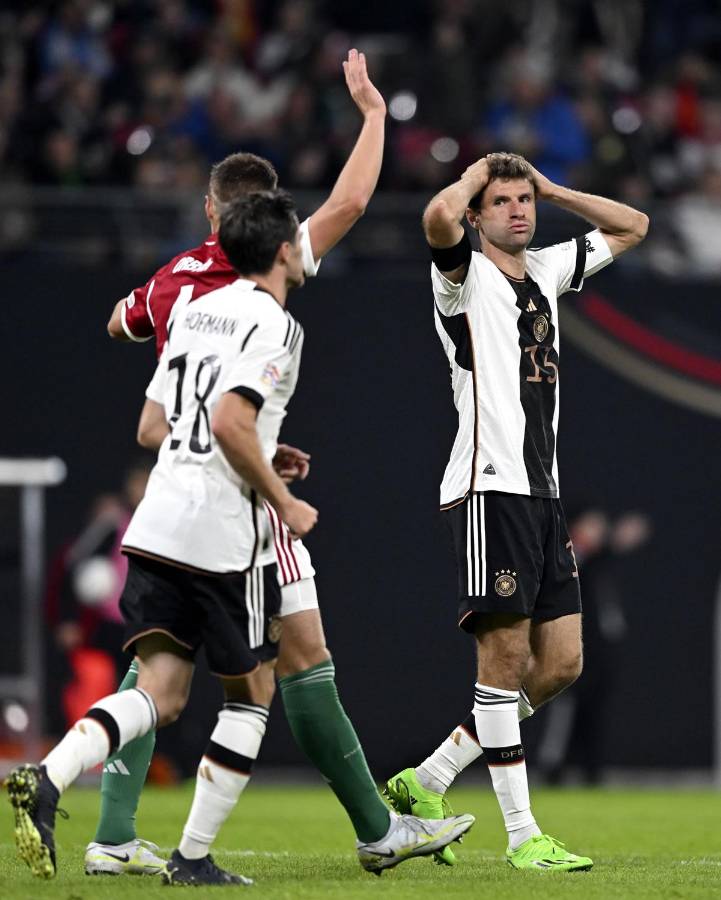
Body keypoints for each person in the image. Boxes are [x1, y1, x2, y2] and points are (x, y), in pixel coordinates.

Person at [6, 190, 474, 885]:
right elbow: (228, 422)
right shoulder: (277, 325)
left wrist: (257, 447)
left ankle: (47, 775)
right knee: (252, 691)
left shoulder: (194, 311)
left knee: (159, 692)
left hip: (159, 520)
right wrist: (281, 495)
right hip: (224, 532)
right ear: (285, 250)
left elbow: (150, 428)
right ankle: (192, 858)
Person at [84, 48, 387, 878]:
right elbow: (355, 198)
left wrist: (139, 312)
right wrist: (373, 115)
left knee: (156, 669)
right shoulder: (263, 279)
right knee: (279, 669)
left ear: (211, 209)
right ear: (277, 229)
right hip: (239, 498)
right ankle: (356, 831)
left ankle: (110, 832)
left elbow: (118, 325)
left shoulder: (177, 279)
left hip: (168, 490)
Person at [385, 151, 648, 871]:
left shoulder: (546, 270)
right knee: (503, 657)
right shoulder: (459, 279)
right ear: (477, 214)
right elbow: (435, 217)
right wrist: (472, 180)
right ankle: (522, 836)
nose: (517, 211)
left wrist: (553, 187)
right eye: (501, 202)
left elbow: (633, 226)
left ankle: (428, 777)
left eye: (522, 201)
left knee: (559, 663)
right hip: (486, 488)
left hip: (543, 495)